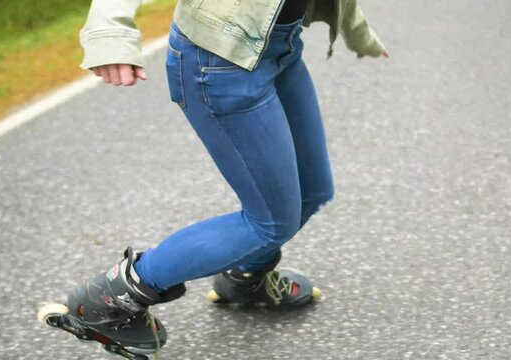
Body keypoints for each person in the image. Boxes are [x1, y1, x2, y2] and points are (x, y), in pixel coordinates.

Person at [53, 0, 388, 358]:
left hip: (281, 47)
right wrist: (110, 31)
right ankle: (108, 298)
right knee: (270, 224)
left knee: (314, 189)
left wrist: (355, 31)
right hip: (220, 64)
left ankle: (244, 279)